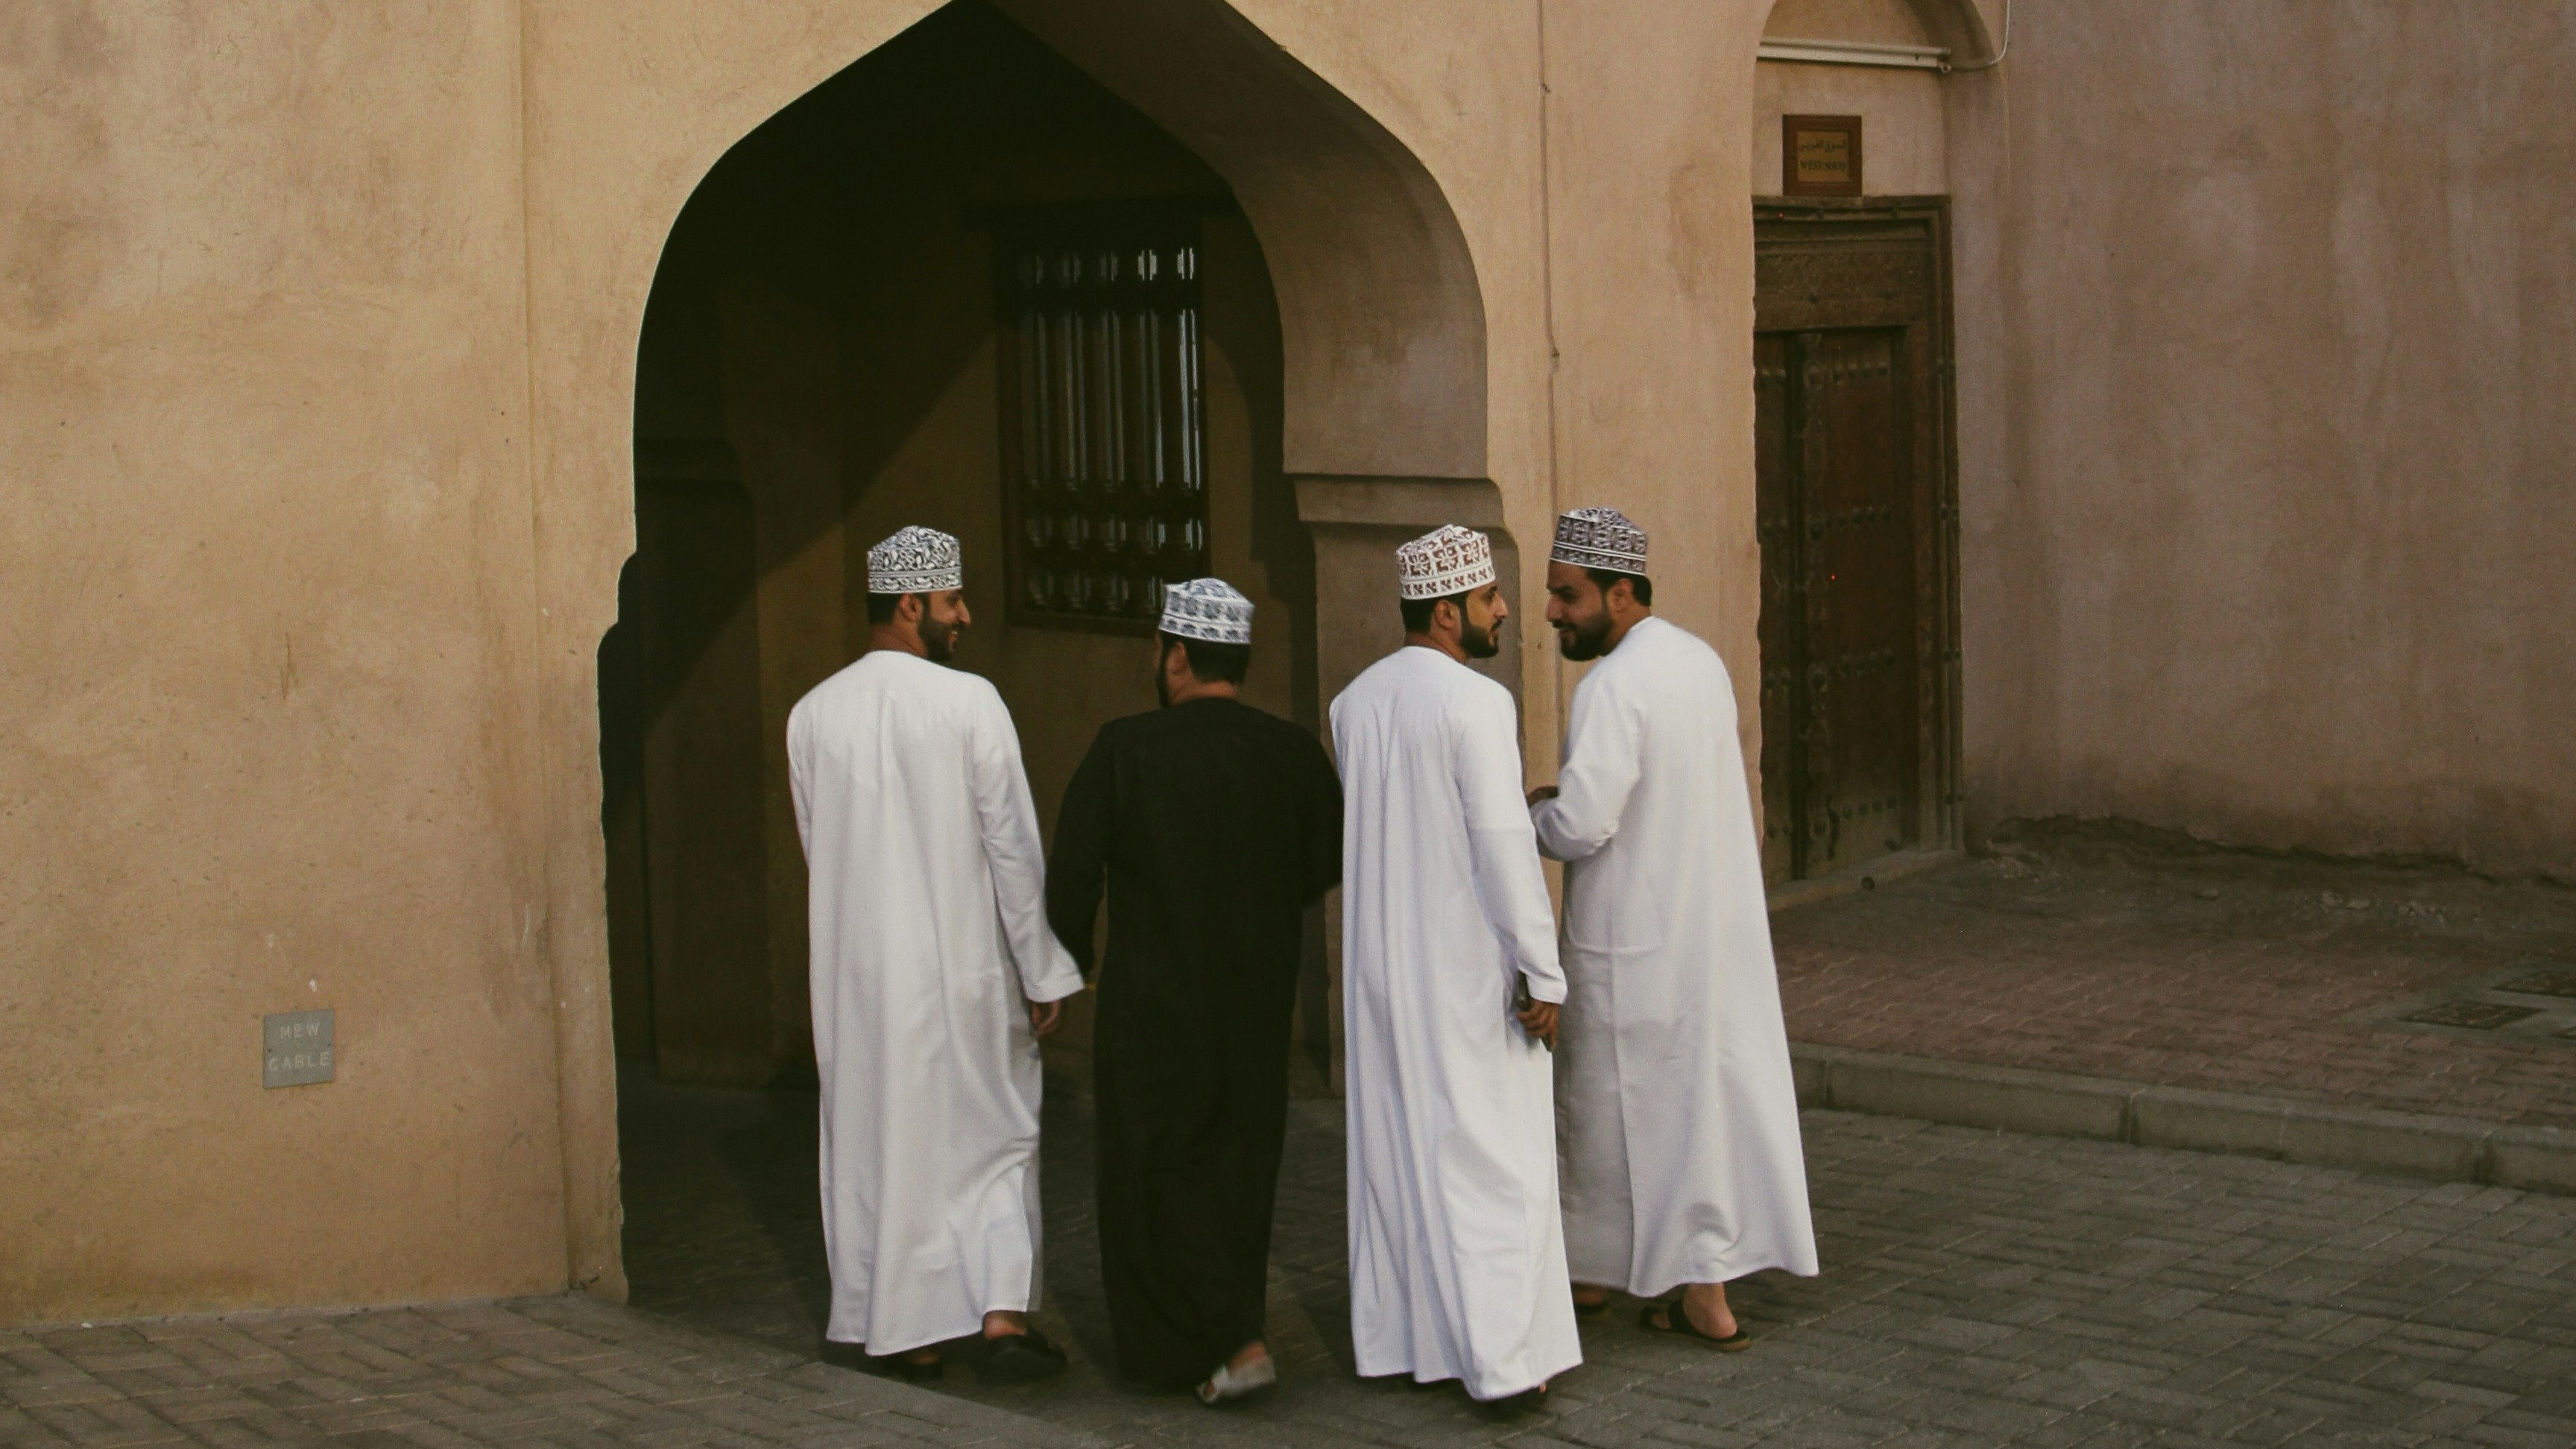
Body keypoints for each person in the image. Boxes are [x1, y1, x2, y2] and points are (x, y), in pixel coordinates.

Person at [786, 524, 1082, 1383]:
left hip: (860, 979)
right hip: (963, 969)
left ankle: (905, 1331)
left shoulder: (812, 715)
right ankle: (997, 1314)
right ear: (910, 604)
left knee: (885, 1142)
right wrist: (1043, 967)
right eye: (954, 603)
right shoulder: (971, 704)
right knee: (996, 1134)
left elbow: (823, 852)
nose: (967, 618)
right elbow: (1014, 852)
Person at [1045, 578, 1342, 1406]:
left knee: (1150, 1172)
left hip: (1151, 1006)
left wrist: (1068, 967)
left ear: (1174, 655)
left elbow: (1071, 874)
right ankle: (1232, 1335)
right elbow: (1324, 864)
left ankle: (1202, 1348)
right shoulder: (1291, 754)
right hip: (1253, 1007)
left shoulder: (1123, 749)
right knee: (1239, 1167)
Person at [1527, 507, 1819, 1349]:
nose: (1553, 614)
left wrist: (1535, 813)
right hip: (1708, 934)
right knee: (1691, 1113)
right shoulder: (1700, 663)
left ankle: (1646, 1284)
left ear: (1622, 594)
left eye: (1567, 596)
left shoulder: (1612, 686)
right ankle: (1644, 1281)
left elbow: (1585, 823)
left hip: (1633, 942)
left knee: (1616, 1114)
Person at [1330, 524, 1580, 1409]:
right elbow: (1505, 850)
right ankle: (1505, 1367)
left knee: (1399, 1159)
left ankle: (1408, 1343)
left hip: (1381, 977)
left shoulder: (1353, 703)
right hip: (1466, 977)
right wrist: (1543, 975)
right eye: (1488, 601)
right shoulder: (1476, 706)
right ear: (1446, 614)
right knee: (1489, 1168)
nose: (1506, 611)